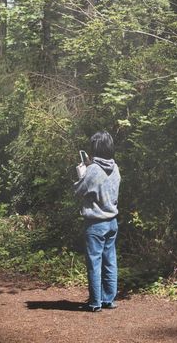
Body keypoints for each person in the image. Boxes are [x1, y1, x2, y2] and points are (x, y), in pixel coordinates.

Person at [73, 130, 121, 312]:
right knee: (110, 261)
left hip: (95, 224)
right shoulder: (115, 167)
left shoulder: (93, 169)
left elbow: (78, 191)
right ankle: (108, 299)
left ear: (95, 148)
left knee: (94, 263)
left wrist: (81, 173)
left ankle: (95, 302)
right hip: (112, 221)